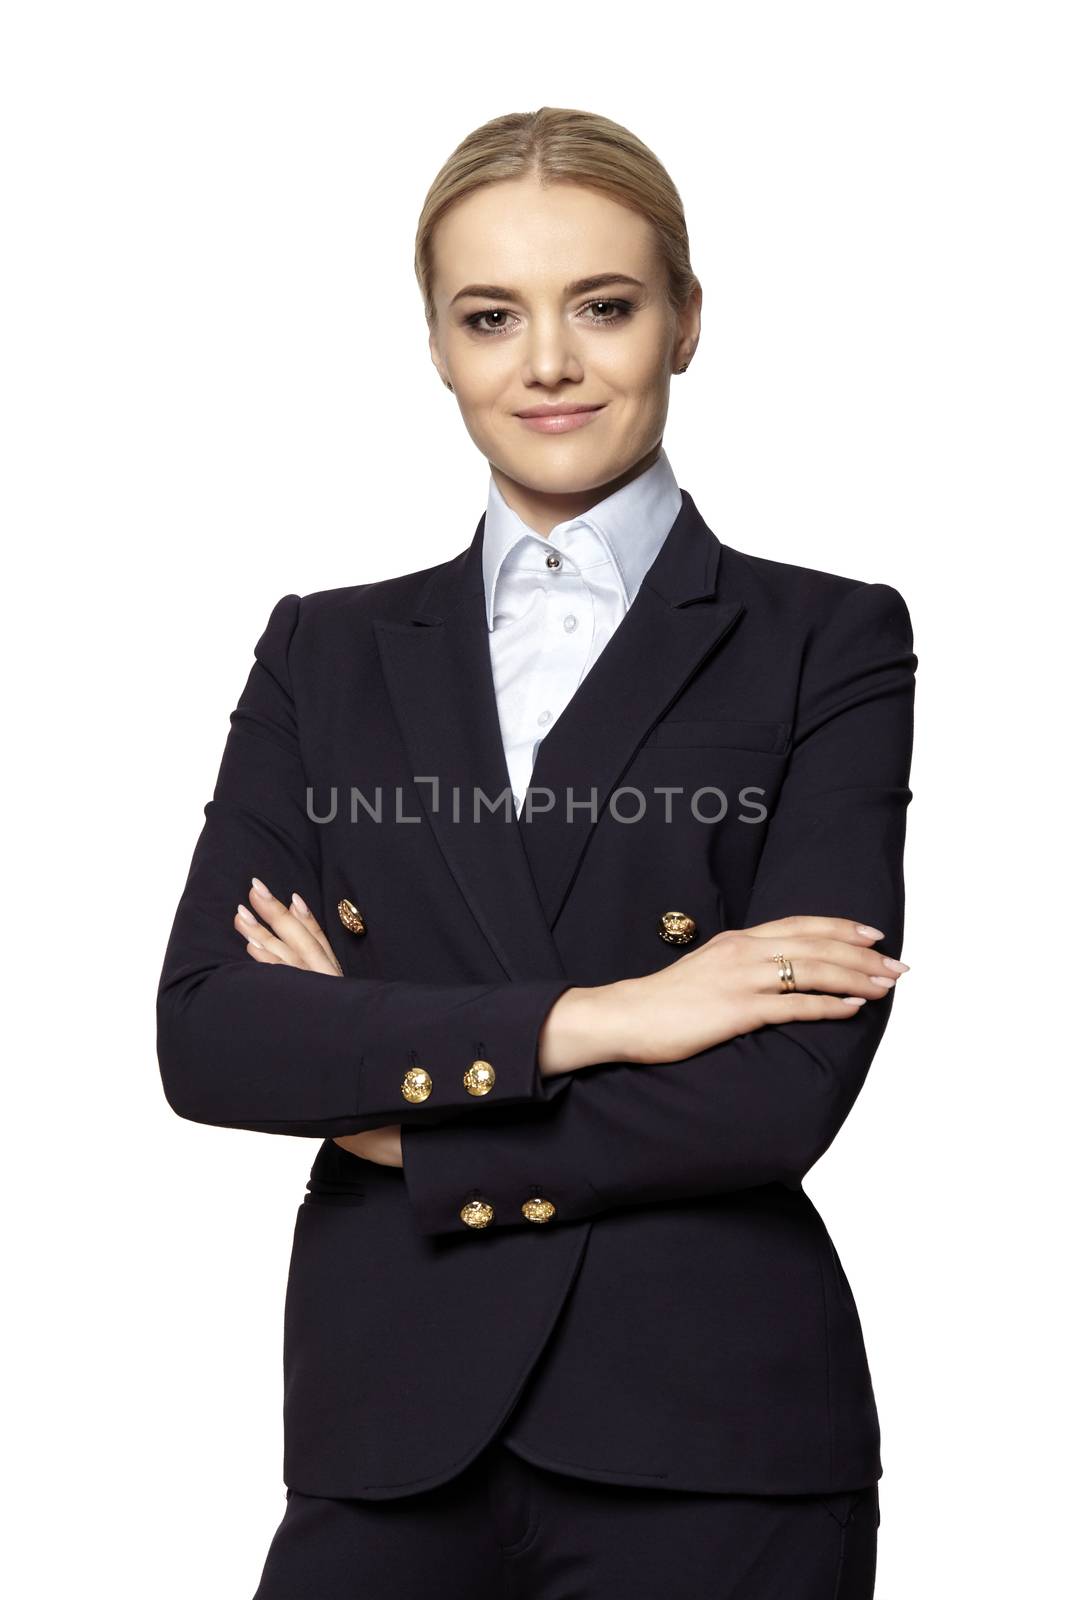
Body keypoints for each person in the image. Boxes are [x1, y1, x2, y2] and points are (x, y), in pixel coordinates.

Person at [156, 105, 915, 1598]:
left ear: (685, 322)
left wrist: (393, 1114)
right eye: (489, 316)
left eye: (604, 307)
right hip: (387, 1429)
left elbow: (779, 1089)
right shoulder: (326, 650)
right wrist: (615, 1018)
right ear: (437, 345)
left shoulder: (826, 637)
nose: (545, 363)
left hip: (711, 1433)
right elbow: (213, 1037)